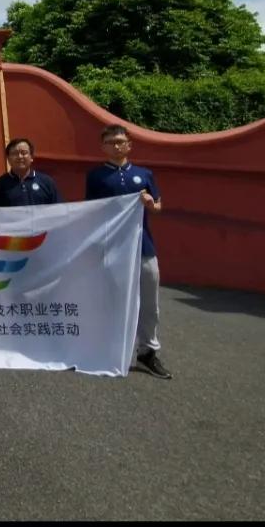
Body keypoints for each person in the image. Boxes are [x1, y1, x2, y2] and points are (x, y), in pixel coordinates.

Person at [85, 124, 171, 380]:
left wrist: (150, 204)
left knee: (149, 302)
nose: (116, 146)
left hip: (143, 246)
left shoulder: (144, 174)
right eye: (111, 142)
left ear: (129, 145)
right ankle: (108, 349)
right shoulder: (96, 176)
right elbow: (90, 211)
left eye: (120, 141)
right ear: (103, 147)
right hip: (111, 247)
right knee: (110, 299)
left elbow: (158, 206)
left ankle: (148, 351)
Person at [0, 137, 61, 207]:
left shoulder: (47, 182)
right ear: (8, 159)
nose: (20, 157)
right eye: (14, 153)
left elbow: (59, 210)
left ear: (31, 157)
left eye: (24, 153)